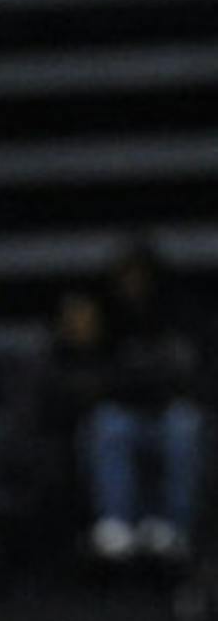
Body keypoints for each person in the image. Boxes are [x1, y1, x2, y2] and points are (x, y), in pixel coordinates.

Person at [81, 241, 205, 564]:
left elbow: (188, 371)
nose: (132, 284)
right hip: (125, 411)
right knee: (108, 424)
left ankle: (174, 525)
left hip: (167, 411)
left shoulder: (176, 314)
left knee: (185, 427)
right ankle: (116, 523)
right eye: (126, 277)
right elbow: (96, 375)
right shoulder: (107, 318)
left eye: (138, 276)